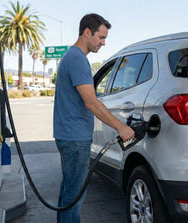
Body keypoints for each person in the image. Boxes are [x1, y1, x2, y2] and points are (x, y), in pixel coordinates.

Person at [53, 13, 134, 223]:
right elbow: (91, 102)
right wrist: (120, 127)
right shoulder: (78, 60)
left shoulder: (70, 57)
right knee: (74, 196)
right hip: (75, 139)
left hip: (68, 136)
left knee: (68, 193)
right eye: (101, 37)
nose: (103, 43)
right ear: (87, 32)